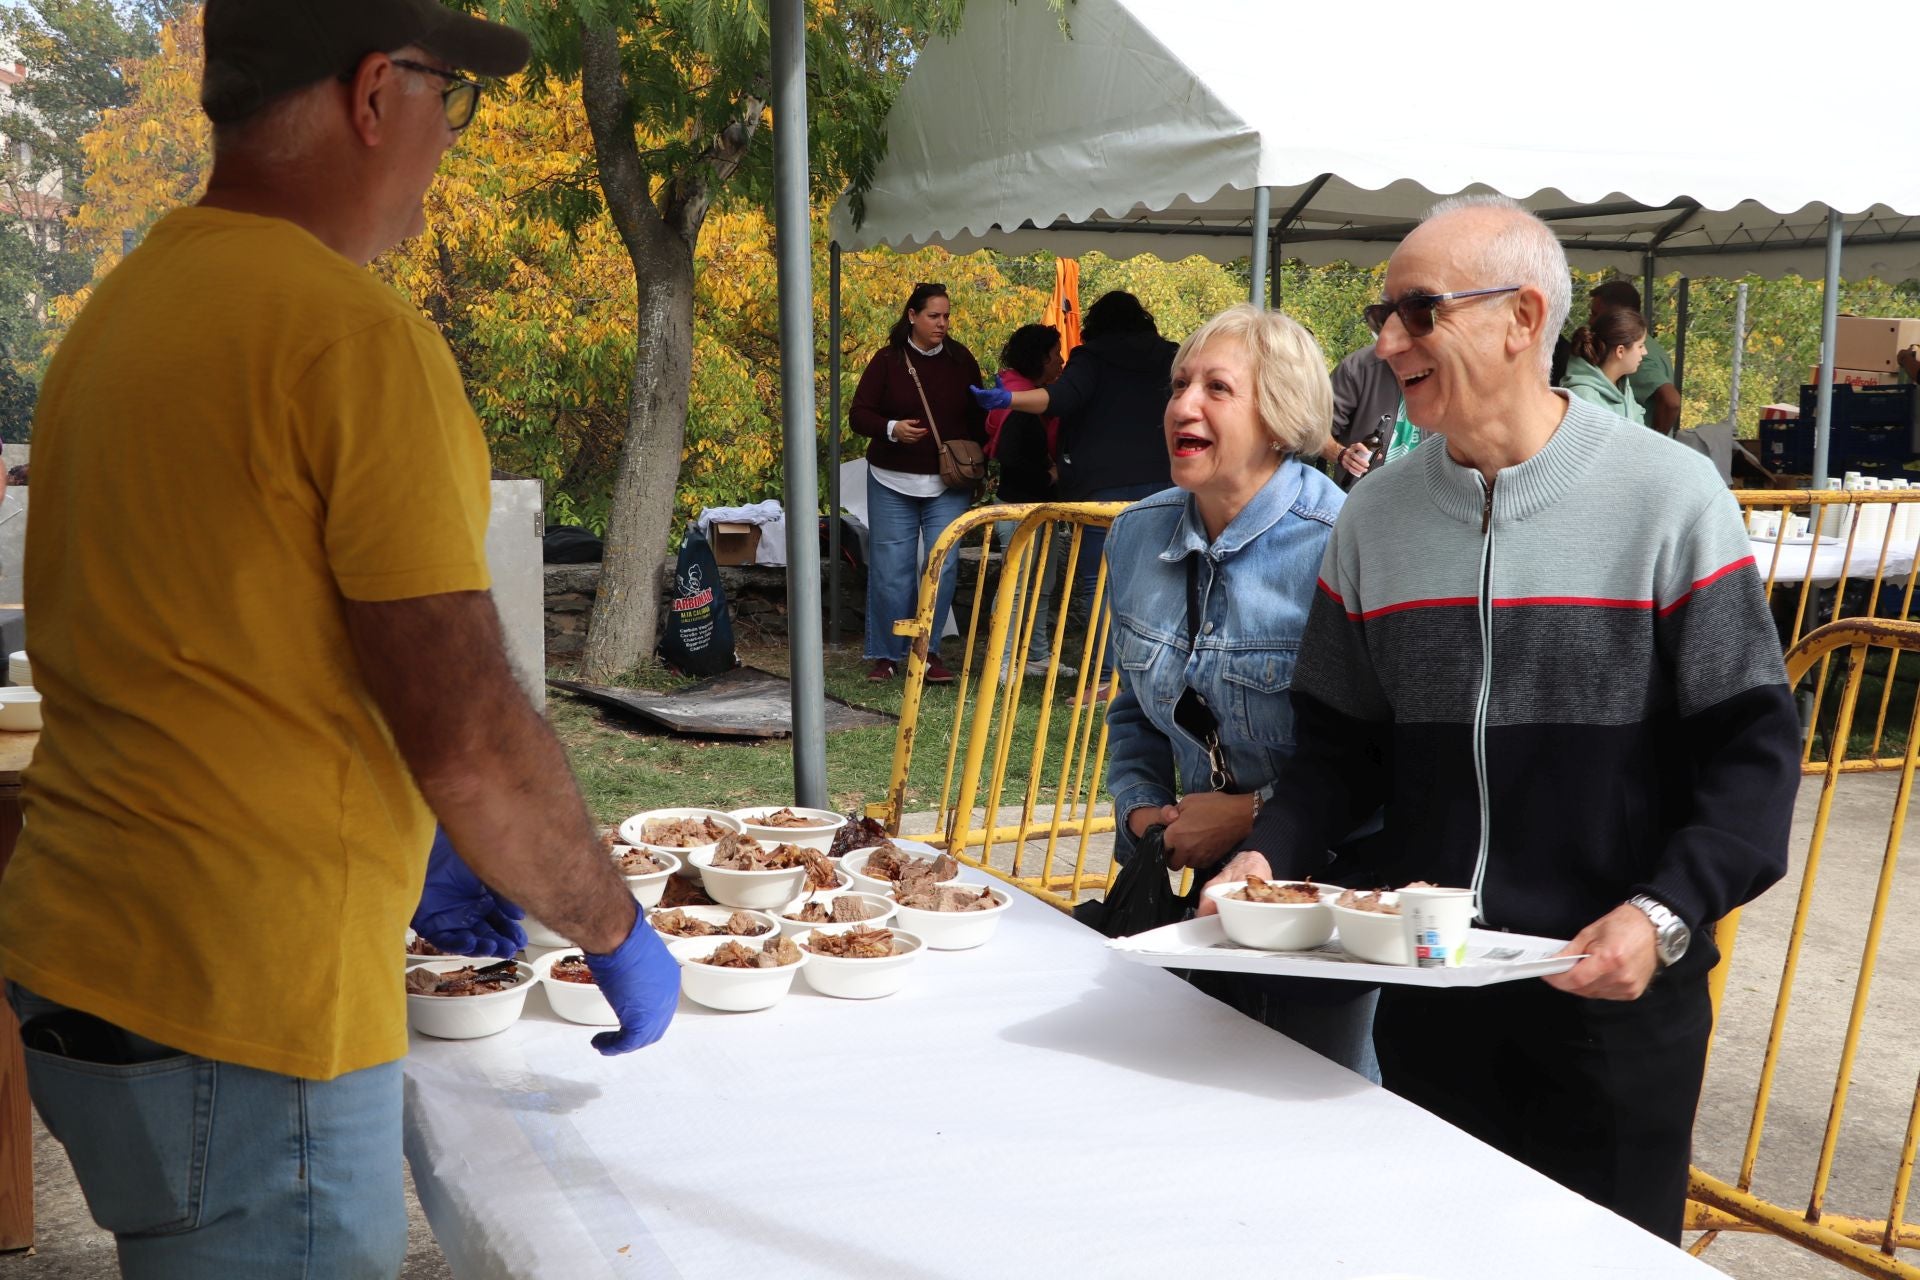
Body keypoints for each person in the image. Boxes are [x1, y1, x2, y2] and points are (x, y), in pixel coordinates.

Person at [0, 4, 680, 1275]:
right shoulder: (353, 341)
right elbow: (471, 738)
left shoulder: (120, 313)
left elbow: (217, 640)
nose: (446, 146)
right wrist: (611, 925)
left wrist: (404, 843)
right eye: (448, 101)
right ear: (377, 94)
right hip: (245, 1001)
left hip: (85, 958)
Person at [1207, 195, 1799, 1242]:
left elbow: (1752, 757)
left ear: (1523, 317)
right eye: (1385, 313)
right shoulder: (1376, 517)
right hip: (1434, 990)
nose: (1387, 342)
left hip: (1616, 1003)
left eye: (1417, 311)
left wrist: (1662, 916)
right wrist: (1270, 852)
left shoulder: (1671, 497)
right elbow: (1338, 748)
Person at [1104, 303, 1377, 1074]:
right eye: (1178, 384)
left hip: (1324, 906)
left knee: (1313, 1113)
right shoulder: (1135, 537)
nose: (1183, 405)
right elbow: (1135, 711)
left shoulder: (1342, 546)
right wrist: (1143, 809)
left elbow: (1383, 755)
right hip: (1197, 899)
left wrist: (1251, 817)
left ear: (1280, 418)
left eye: (1216, 388)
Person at [971, 290, 1178, 698]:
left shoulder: (1092, 357)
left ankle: (1107, 678)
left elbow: (1061, 398)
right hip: (1166, 484)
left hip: (1100, 489)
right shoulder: (1172, 356)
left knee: (1098, 582)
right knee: (1161, 580)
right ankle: (1161, 672)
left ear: (1097, 325)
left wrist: (1009, 398)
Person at [849, 281, 987, 684]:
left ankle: (927, 653)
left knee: (941, 567)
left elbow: (978, 418)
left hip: (948, 483)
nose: (942, 323)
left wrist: (980, 461)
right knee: (892, 571)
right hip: (891, 479)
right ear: (912, 316)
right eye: (934, 316)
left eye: (946, 316)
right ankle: (887, 655)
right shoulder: (888, 360)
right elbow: (859, 415)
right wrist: (892, 428)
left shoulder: (961, 359)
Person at [988, 322, 1072, 679]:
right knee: (1017, 584)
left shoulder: (1037, 398)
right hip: (1018, 507)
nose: (1062, 363)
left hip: (1042, 507)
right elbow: (1011, 458)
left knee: (1043, 583)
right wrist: (1050, 475)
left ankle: (1036, 654)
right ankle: (1002, 660)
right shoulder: (1019, 404)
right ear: (1039, 359)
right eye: (1056, 356)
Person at [1590, 279, 1680, 431]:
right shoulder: (1645, 347)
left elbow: (1671, 401)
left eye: (1596, 314)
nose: (1590, 321)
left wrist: (1655, 444)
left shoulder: (1635, 356)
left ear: (1617, 318)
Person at [1319, 341, 1399, 487]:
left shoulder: (1447, 378)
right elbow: (1314, 432)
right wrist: (1342, 454)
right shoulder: (1358, 367)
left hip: (1415, 504)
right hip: (1355, 499)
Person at [1562, 307, 1649, 424]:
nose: (1645, 352)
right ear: (1620, 351)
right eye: (1640, 346)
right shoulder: (1584, 398)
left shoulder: (1622, 385)